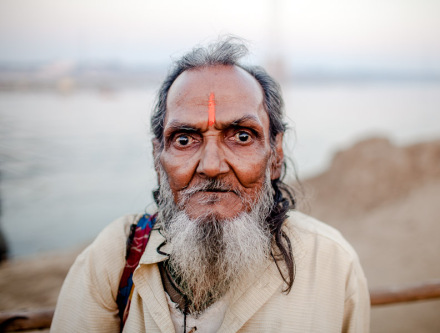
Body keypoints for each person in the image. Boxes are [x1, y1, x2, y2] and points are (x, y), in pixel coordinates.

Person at [51, 37, 370, 332]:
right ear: (156, 157)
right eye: (185, 139)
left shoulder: (331, 264)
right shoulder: (113, 257)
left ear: (275, 155)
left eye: (242, 136)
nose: (212, 166)